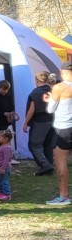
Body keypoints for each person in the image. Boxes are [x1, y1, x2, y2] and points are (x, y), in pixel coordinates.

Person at [43, 62, 72, 207]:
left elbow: (50, 110)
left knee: (61, 162)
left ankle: (63, 195)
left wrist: (49, 100)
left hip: (64, 127)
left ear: (62, 72)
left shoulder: (59, 87)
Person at [23, 71, 55, 176]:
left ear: (37, 80)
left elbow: (31, 110)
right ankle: (49, 166)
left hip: (40, 121)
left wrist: (25, 123)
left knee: (34, 144)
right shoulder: (52, 90)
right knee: (48, 145)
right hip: (52, 120)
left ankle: (45, 165)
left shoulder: (35, 93)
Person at [0, 129, 14, 201]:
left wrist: (3, 168)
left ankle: (7, 195)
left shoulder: (6, 148)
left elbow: (7, 159)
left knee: (4, 181)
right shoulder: (2, 146)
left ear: (6, 139)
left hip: (3, 168)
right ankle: (1, 193)